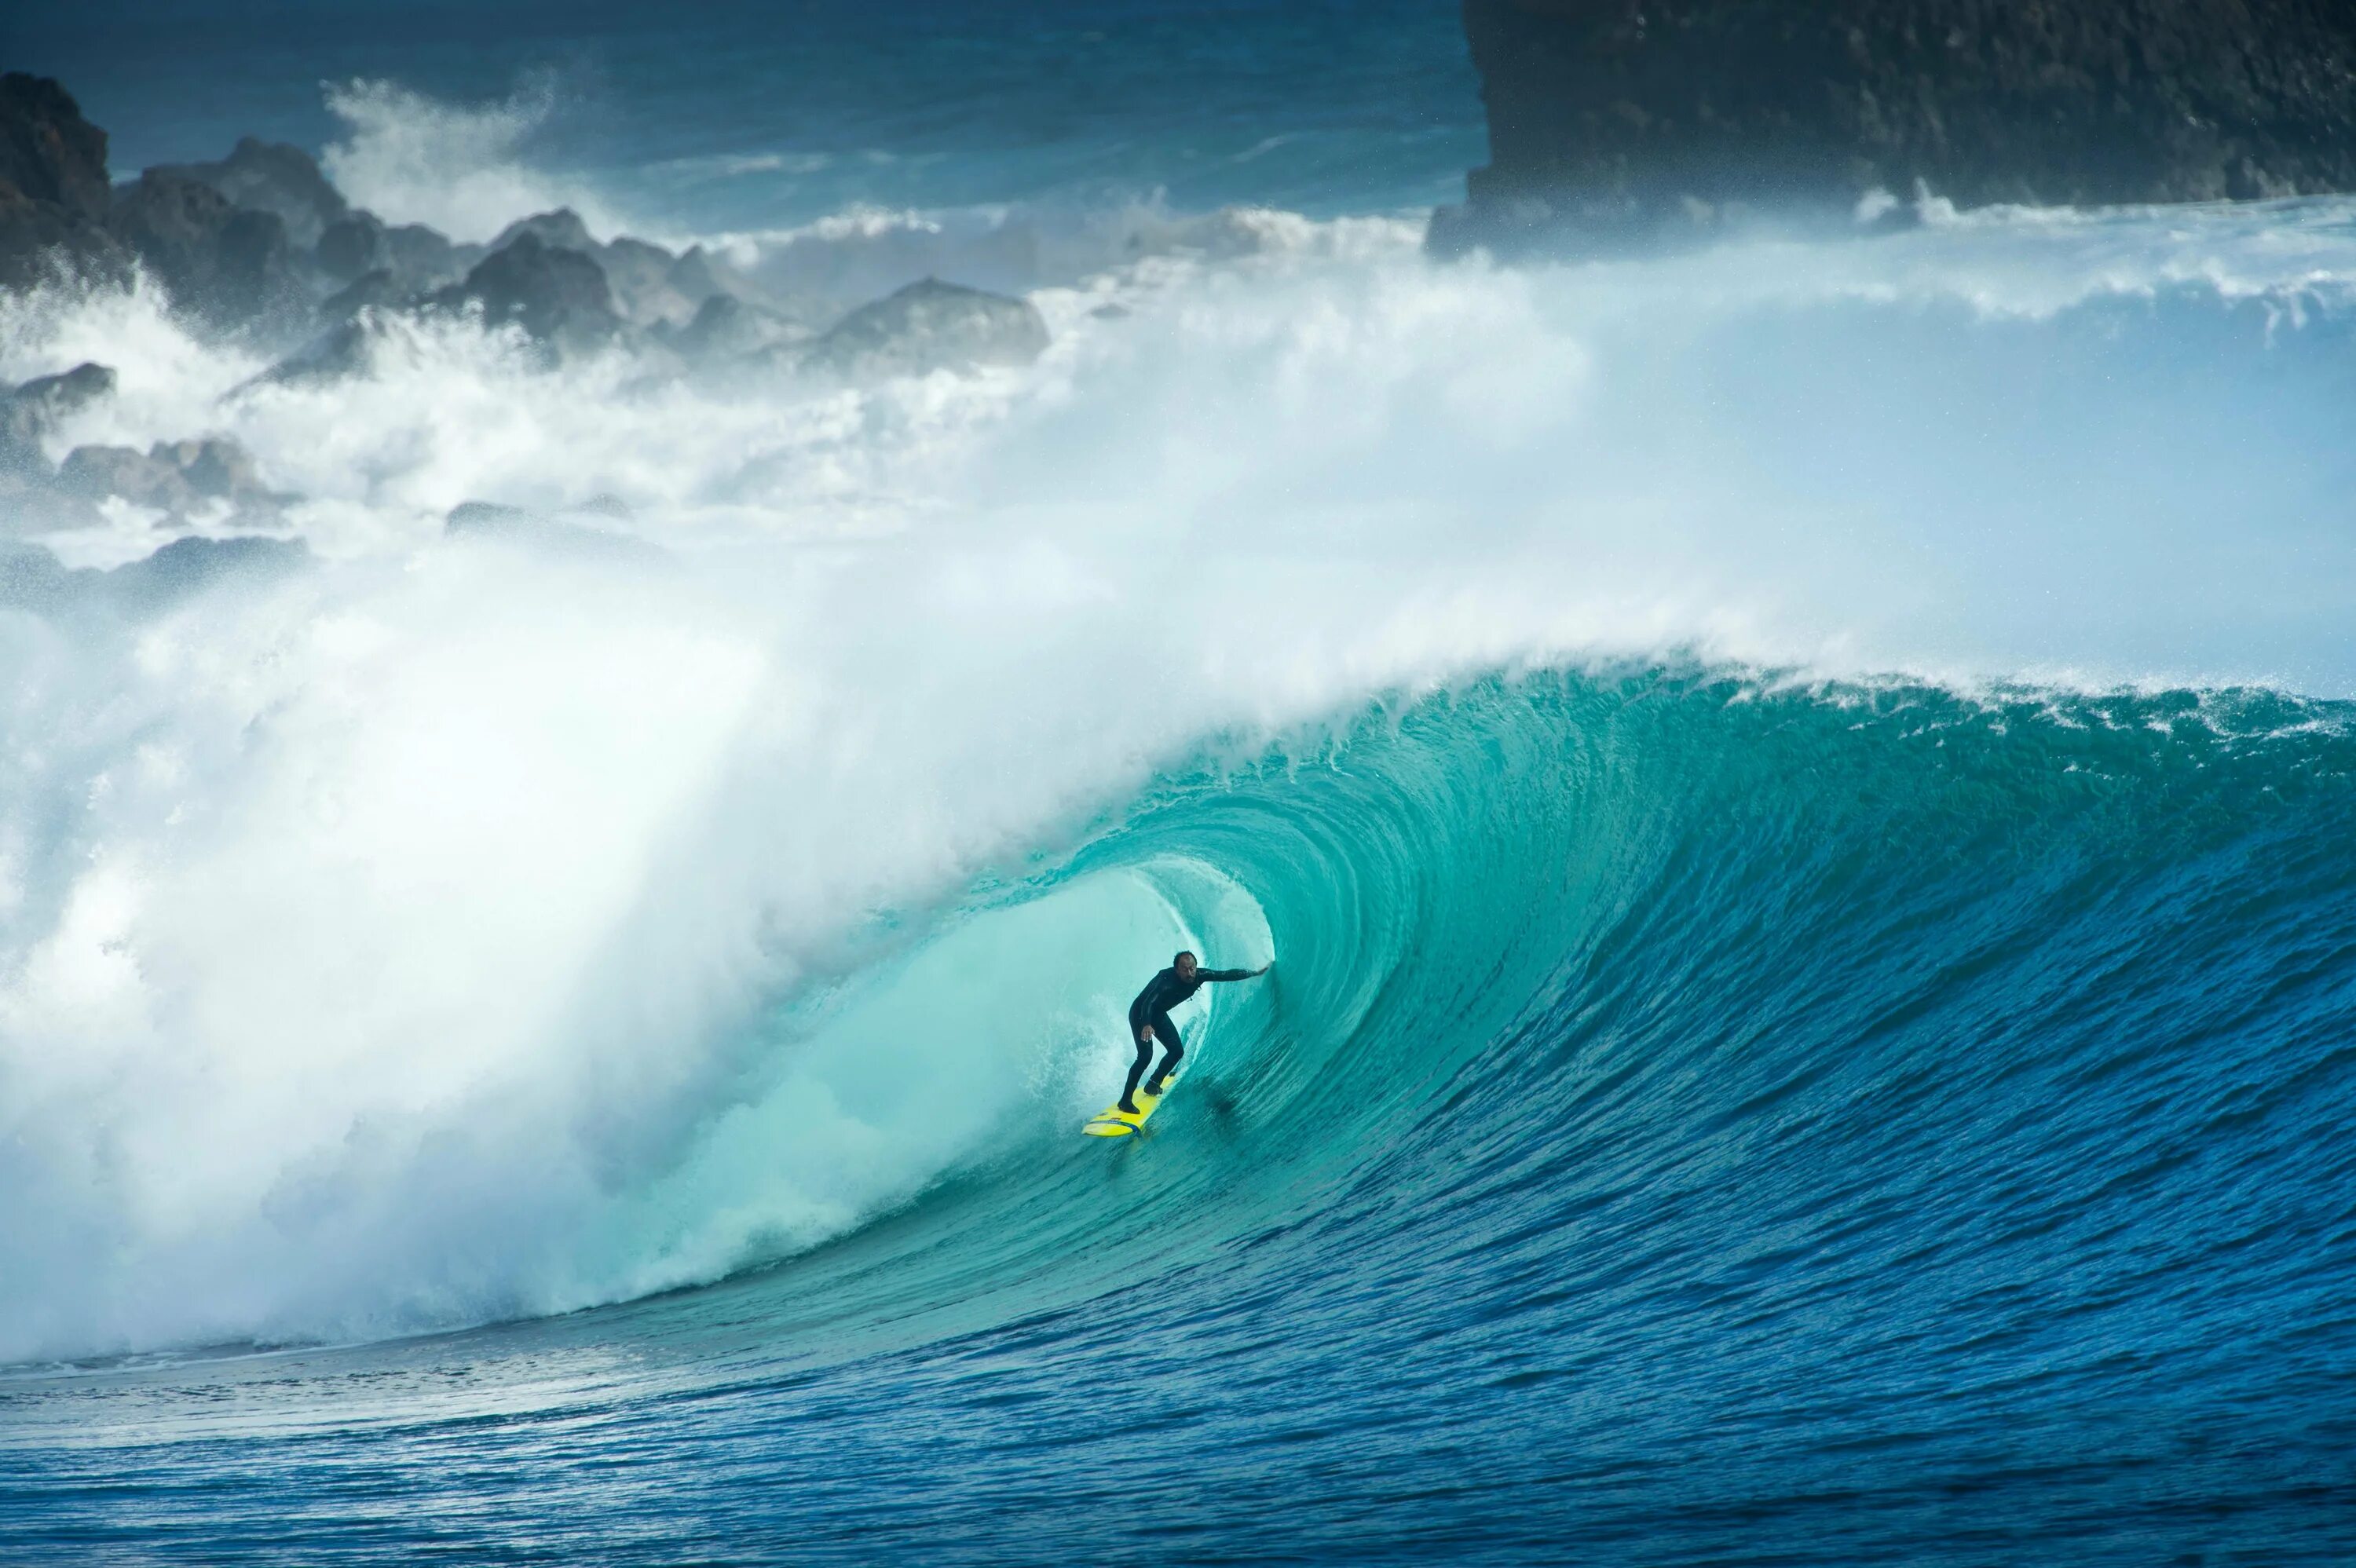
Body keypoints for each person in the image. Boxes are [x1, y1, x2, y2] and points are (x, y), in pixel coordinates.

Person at [1119, 949, 1268, 1114]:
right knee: (1145, 1056)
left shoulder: (1200, 975)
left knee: (1176, 1051)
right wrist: (1146, 1024)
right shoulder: (1166, 981)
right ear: (1177, 969)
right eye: (1185, 969)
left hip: (1158, 1014)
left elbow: (1225, 975)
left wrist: (1254, 973)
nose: (1190, 973)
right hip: (1141, 1013)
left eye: (1192, 968)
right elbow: (1149, 1001)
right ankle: (1125, 1101)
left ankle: (1153, 1083)